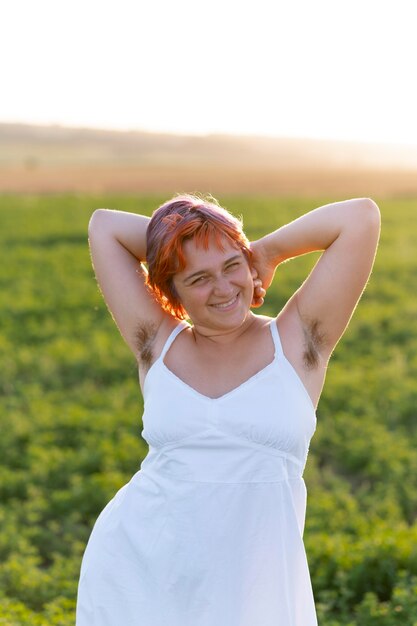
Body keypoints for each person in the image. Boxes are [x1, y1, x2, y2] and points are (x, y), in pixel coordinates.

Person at [76, 193, 380, 626]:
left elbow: (360, 218)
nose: (223, 289)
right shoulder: (156, 342)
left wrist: (264, 253)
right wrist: (175, 249)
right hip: (141, 579)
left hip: (258, 590)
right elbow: (104, 225)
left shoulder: (298, 341)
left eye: (231, 267)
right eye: (198, 278)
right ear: (171, 290)